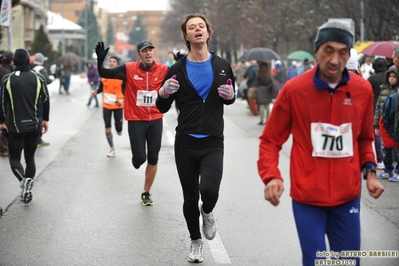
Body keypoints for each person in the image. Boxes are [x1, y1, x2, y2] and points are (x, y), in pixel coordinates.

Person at [257, 21, 384, 266]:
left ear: (348, 54)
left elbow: (364, 138)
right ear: (317, 51)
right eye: (328, 50)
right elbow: (270, 141)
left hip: (347, 197)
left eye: (342, 52)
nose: (335, 59)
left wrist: (370, 172)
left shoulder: (362, 90)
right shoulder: (294, 90)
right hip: (307, 199)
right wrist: (272, 176)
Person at [156, 14, 235, 264]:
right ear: (187, 37)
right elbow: (162, 107)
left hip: (213, 140)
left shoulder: (223, 64)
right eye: (192, 27)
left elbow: (229, 96)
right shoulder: (177, 69)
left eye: (201, 26)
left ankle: (208, 210)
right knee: (190, 197)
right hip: (186, 142)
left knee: (209, 190)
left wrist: (231, 95)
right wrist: (162, 93)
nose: (198, 29)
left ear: (208, 33)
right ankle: (195, 241)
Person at [95, 40, 168, 206]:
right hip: (136, 120)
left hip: (156, 119)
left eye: (151, 50)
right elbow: (105, 73)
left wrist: (181, 62)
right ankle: (137, 159)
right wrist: (100, 60)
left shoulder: (163, 69)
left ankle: (146, 192)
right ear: (139, 55)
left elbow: (181, 77)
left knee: (154, 157)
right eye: (145, 51)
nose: (148, 53)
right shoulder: (129, 69)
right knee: (139, 159)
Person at [0, 48, 50, 204]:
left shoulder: (7, 79)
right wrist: (45, 119)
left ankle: (23, 181)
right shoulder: (39, 78)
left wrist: (1, 121)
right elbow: (46, 100)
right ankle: (27, 187)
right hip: (34, 126)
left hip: (15, 126)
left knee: (14, 159)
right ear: (29, 60)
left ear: (14, 62)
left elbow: (2, 103)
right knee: (30, 159)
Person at [91, 56, 125, 157]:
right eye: (110, 61)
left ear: (117, 64)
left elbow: (127, 90)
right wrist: (96, 91)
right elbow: (101, 88)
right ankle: (111, 148)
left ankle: (119, 129)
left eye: (114, 61)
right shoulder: (104, 75)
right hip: (106, 104)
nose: (111, 63)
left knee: (118, 128)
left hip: (118, 104)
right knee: (107, 126)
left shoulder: (122, 76)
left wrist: (123, 99)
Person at [375, 65, 399, 180]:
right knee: (386, 149)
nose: (392, 79)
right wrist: (376, 125)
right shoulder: (383, 89)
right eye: (390, 76)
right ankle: (387, 170)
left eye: (394, 76)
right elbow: (378, 108)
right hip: (383, 123)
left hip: (395, 124)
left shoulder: (397, 91)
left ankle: (397, 171)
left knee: (397, 149)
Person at [368, 57, 388, 170]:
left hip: (375, 108)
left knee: (377, 133)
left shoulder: (371, 79)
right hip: (389, 107)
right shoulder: (390, 77)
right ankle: (390, 158)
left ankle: (380, 159)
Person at [30, 53, 52, 148]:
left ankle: (32, 138)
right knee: (40, 117)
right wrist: (53, 77)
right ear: (41, 60)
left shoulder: (30, 67)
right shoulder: (40, 69)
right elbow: (47, 80)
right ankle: (38, 139)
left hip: (30, 96)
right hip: (39, 96)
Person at [0, 51, 13, 157]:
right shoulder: (6, 73)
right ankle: (4, 149)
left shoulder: (2, 70)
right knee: (4, 124)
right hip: (4, 102)